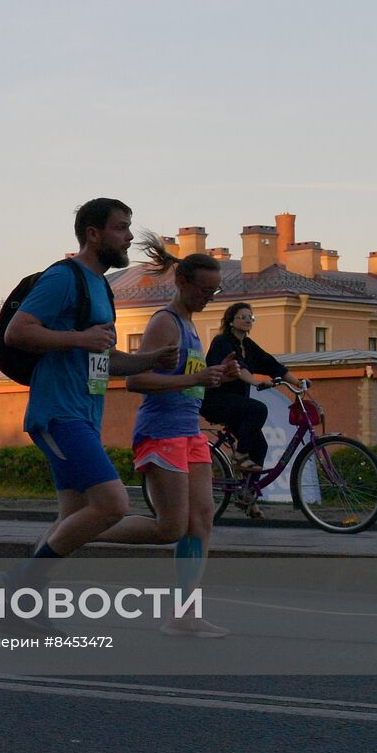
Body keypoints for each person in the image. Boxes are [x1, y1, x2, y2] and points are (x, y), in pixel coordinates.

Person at [0, 199, 178, 588]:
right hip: (58, 413)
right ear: (93, 234)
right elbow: (19, 331)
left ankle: (24, 602)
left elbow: (104, 357)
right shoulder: (64, 277)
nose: (129, 236)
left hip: (84, 413)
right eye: (121, 228)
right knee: (113, 503)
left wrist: (151, 360)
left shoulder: (100, 286)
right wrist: (80, 338)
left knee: (73, 518)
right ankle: (20, 582)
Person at [92, 234, 240, 636]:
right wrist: (196, 377)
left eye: (215, 290)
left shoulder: (192, 326)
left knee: (202, 520)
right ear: (182, 283)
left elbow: (187, 382)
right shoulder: (165, 322)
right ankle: (84, 527)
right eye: (203, 289)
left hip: (189, 433)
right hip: (160, 433)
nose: (210, 297)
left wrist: (214, 378)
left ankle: (185, 614)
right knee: (170, 527)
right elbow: (136, 380)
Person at [201, 302, 305, 474]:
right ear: (231, 322)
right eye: (242, 317)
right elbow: (238, 368)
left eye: (251, 317)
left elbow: (272, 365)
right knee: (258, 409)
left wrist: (298, 382)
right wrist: (256, 383)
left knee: (260, 446)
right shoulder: (222, 342)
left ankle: (247, 496)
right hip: (216, 401)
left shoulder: (248, 345)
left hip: (237, 405)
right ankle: (240, 456)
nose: (247, 320)